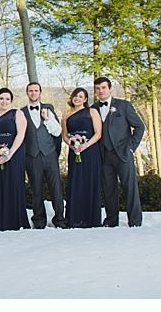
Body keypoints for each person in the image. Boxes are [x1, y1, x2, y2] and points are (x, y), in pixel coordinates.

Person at [91, 77, 145, 228]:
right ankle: (111, 221)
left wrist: (130, 148)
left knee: (130, 188)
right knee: (109, 190)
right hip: (103, 156)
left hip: (123, 154)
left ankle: (134, 221)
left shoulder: (124, 105)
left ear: (109, 88)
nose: (101, 91)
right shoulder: (93, 108)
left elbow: (140, 127)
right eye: (98, 88)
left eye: (103, 88)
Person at [21, 82, 66, 229]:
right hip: (32, 156)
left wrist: (47, 118)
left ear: (40, 92)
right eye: (30, 91)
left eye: (36, 90)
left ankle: (59, 219)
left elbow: (57, 132)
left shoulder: (49, 109)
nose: (33, 93)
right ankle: (39, 220)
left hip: (49, 155)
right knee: (36, 189)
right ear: (27, 93)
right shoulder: (21, 112)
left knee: (56, 189)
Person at [0, 88, 31, 231]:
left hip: (15, 153)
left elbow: (20, 135)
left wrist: (9, 154)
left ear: (11, 101)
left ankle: (15, 220)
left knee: (13, 183)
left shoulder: (17, 113)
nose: (4, 101)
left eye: (7, 99)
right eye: (1, 98)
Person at [62, 87, 104, 228]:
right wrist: (73, 145)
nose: (77, 98)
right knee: (76, 183)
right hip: (74, 152)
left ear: (85, 99)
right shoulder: (66, 114)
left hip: (91, 152)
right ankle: (75, 218)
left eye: (81, 96)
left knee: (90, 182)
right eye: (75, 96)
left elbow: (98, 133)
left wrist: (85, 146)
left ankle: (91, 219)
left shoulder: (92, 112)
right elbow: (65, 136)